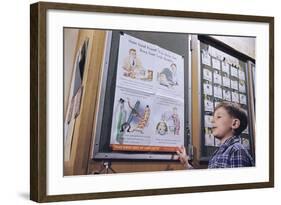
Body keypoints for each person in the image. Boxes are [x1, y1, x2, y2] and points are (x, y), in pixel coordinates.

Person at [176, 101, 254, 169]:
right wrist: (186, 164)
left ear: (234, 123)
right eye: (213, 117)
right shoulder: (218, 152)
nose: (212, 120)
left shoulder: (237, 150)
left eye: (218, 117)